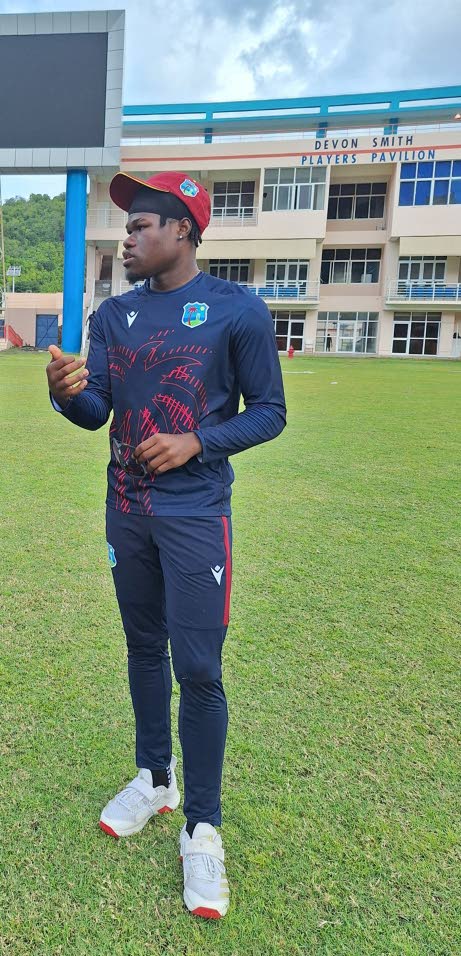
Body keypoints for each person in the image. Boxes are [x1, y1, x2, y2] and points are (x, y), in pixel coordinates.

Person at [46, 171, 286, 920]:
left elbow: (269, 412)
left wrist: (196, 442)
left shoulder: (237, 309)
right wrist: (64, 393)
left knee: (200, 668)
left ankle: (202, 828)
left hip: (195, 514)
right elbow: (96, 410)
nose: (127, 237)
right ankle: (155, 779)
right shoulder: (113, 315)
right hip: (126, 509)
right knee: (142, 648)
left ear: (183, 230)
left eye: (142, 224)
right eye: (127, 226)